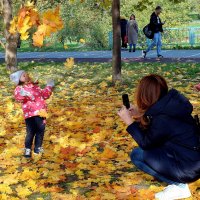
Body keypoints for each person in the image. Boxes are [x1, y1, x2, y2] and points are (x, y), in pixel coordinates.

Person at [118, 74, 200, 200]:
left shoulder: (162, 119)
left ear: (144, 95)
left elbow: (146, 143)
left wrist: (129, 122)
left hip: (188, 167)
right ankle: (178, 182)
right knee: (146, 152)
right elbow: (157, 134)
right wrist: (142, 114)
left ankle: (179, 186)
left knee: (137, 155)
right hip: (192, 159)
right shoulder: (171, 106)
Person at [10, 70, 54, 158]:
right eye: (23, 76)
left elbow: (45, 95)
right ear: (19, 80)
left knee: (40, 131)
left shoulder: (35, 86)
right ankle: (27, 149)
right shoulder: (19, 88)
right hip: (30, 114)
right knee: (30, 132)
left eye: (26, 74)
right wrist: (23, 95)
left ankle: (37, 149)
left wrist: (49, 86)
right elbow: (19, 98)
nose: (26, 76)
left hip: (41, 112)